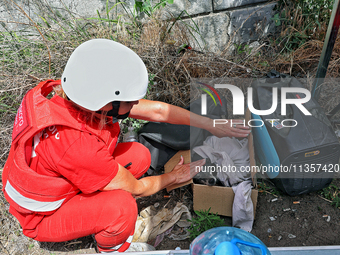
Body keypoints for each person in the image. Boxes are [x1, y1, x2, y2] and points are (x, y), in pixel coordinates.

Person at [2, 39, 250, 253]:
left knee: (140, 156)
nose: (134, 105)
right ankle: (112, 248)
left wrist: (211, 125)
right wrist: (172, 177)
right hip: (42, 215)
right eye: (128, 102)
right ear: (106, 103)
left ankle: (92, 203)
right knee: (122, 208)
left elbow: (158, 111)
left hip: (63, 173)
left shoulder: (75, 94)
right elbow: (138, 188)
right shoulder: (76, 145)